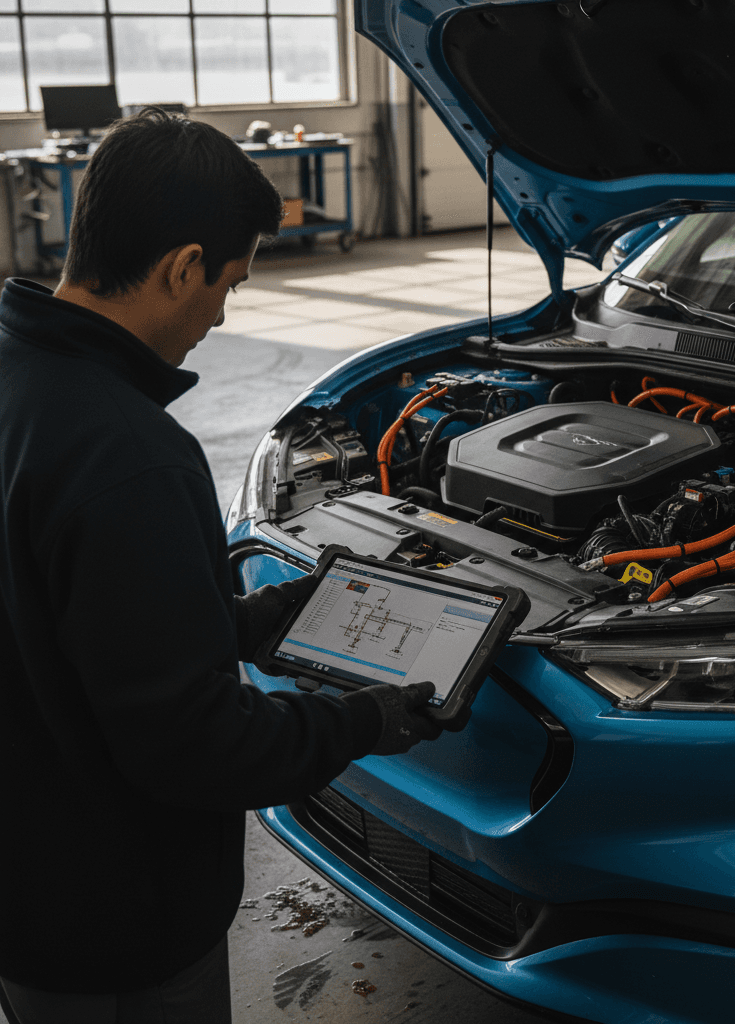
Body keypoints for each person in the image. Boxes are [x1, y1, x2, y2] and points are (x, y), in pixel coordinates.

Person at [0, 108, 441, 1024]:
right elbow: (197, 750)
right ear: (180, 267)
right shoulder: (131, 456)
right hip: (118, 931)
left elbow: (69, 629)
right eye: (229, 283)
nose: (220, 314)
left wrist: (249, 621)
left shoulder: (20, 382)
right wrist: (362, 719)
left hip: (28, 881)